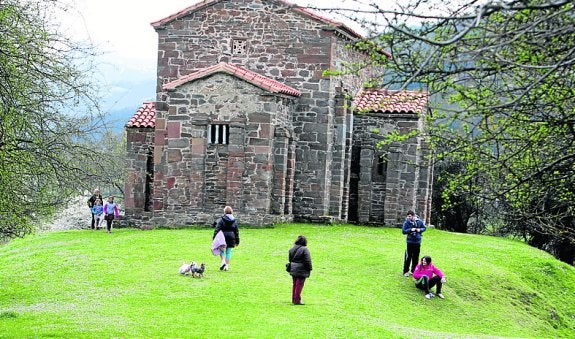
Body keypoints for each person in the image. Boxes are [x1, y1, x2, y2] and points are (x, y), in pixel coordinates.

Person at [212, 206, 240, 271]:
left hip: (222, 237)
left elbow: (217, 229)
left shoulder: (222, 220)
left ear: (225, 212)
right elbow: (236, 231)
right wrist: (237, 241)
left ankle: (223, 261)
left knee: (221, 250)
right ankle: (226, 266)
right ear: (231, 212)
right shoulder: (234, 221)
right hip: (231, 237)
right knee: (228, 252)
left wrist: (214, 237)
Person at [287, 235, 312, 305]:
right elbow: (308, 260)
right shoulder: (305, 249)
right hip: (301, 269)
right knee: (299, 285)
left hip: (293, 268)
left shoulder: (292, 249)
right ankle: (297, 300)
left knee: (295, 284)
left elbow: (290, 259)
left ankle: (294, 299)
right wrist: (310, 268)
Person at [402, 210, 426, 276]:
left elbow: (424, 228)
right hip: (410, 242)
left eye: (410, 216)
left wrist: (419, 230)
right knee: (408, 257)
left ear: (413, 216)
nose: (408, 218)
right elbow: (403, 231)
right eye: (408, 216)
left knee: (415, 257)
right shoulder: (406, 222)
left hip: (417, 242)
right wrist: (410, 230)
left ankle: (413, 271)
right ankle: (405, 271)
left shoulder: (419, 221)